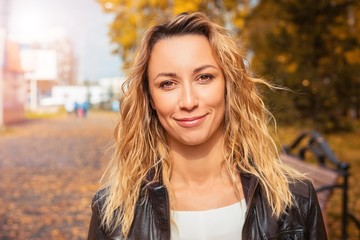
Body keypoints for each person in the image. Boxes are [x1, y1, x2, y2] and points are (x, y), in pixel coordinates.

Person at [88, 12, 327, 239]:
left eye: (204, 77)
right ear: (150, 97)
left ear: (228, 85)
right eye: (168, 83)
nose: (189, 101)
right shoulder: (113, 211)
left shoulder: (295, 200)